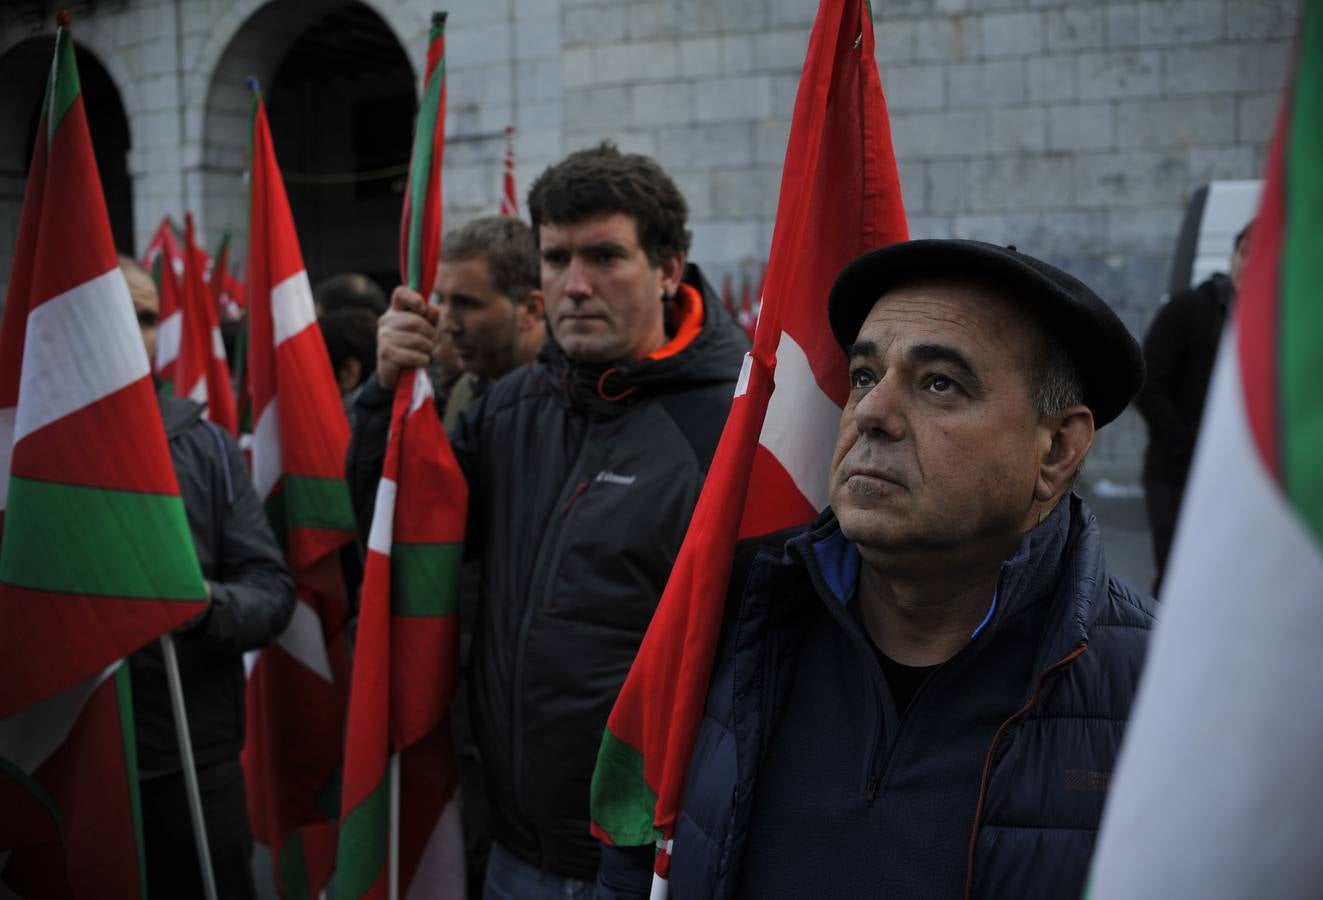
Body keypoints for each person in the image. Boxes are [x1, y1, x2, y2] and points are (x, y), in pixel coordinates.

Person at [598, 240, 1158, 900]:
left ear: (1057, 448)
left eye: (940, 384)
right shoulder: (733, 617)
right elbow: (636, 860)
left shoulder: (1161, 698)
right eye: (864, 375)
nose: (870, 412)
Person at [348, 143, 748, 898]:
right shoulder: (510, 405)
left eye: (604, 256)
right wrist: (385, 398)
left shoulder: (732, 425)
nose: (574, 285)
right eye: (556, 257)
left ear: (669, 269)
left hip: (643, 863)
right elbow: (403, 537)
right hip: (510, 848)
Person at [121, 256, 296, 900]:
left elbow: (272, 594)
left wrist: (199, 606)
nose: (134, 332)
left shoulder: (208, 446)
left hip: (191, 759)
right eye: (115, 314)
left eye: (146, 317)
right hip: (63, 757)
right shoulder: (22, 450)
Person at [1137, 222, 1251, 592]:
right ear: (1233, 256)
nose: (1250, 263)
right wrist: (1186, 441)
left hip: (1239, 477)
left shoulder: (1278, 321)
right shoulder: (1190, 308)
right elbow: (1147, 383)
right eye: (1244, 252)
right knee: (1177, 580)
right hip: (1177, 474)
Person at [430, 215, 547, 427]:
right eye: (441, 301)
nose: (447, 325)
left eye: (465, 303)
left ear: (531, 309)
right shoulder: (464, 391)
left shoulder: (569, 403)